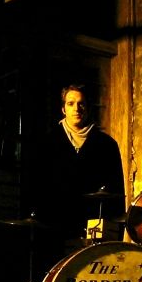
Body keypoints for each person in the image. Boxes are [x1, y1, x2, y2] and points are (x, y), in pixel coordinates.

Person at [32, 84, 125, 266]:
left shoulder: (107, 145)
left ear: (88, 107)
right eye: (71, 103)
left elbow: (116, 192)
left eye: (81, 103)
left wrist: (113, 233)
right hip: (56, 231)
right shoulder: (47, 143)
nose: (77, 108)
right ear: (63, 109)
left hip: (93, 234)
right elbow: (37, 188)